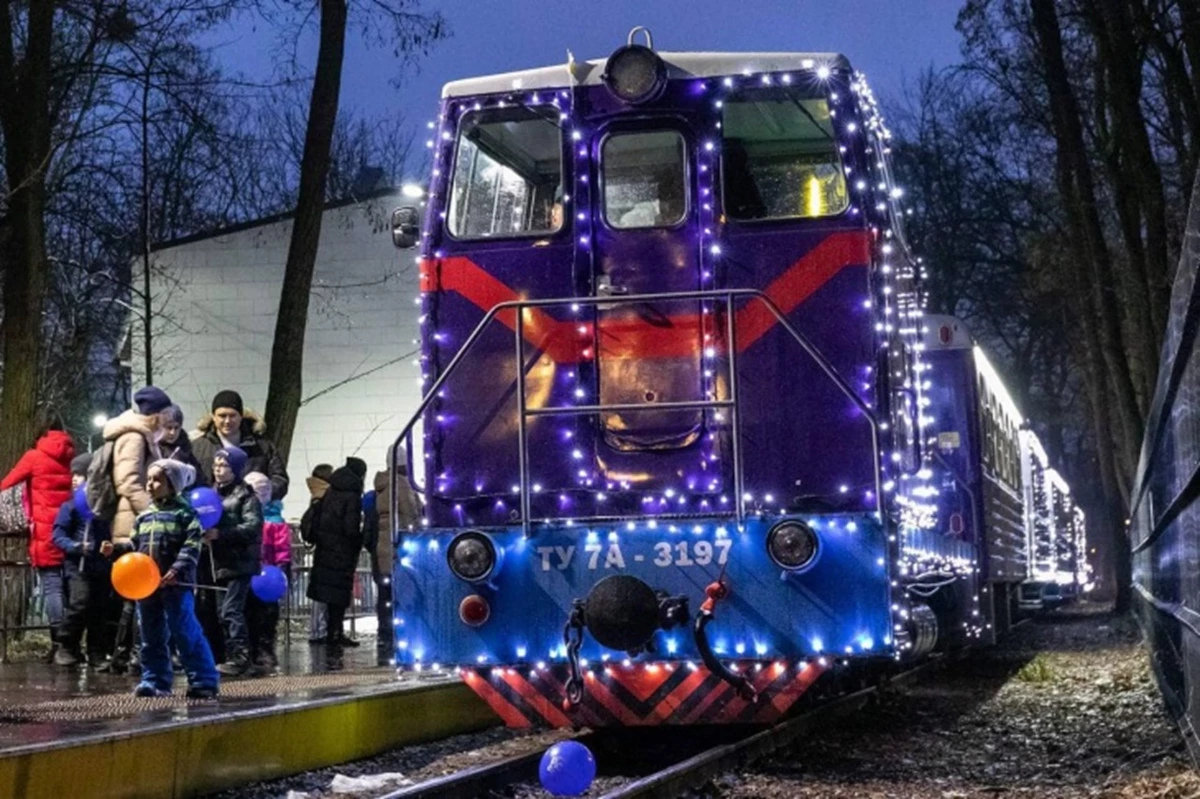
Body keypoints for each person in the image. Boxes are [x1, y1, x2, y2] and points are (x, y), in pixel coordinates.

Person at [101, 459, 218, 698]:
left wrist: (177, 570)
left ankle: (203, 680)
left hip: (176, 586)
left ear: (173, 485)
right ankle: (154, 680)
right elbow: (135, 548)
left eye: (157, 480)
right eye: (149, 479)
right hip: (148, 587)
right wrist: (116, 551)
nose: (150, 485)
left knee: (185, 631)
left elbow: (192, 546)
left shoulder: (185, 514)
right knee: (150, 634)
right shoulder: (144, 517)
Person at [98, 385, 171, 674]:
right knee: (139, 594)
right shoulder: (134, 438)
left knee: (135, 595)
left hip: (133, 524)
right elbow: (127, 481)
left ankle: (125, 656)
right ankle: (132, 657)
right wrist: (152, 512)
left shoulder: (137, 436)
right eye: (164, 414)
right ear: (154, 415)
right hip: (133, 526)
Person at [0, 413, 75, 659]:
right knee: (68, 587)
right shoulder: (70, 455)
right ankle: (71, 644)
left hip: (45, 532)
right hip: (70, 528)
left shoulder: (34, 457)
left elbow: (7, 483)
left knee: (52, 587)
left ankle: (59, 645)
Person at [205, 446, 262, 677]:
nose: (219, 470)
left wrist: (222, 535)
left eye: (224, 466)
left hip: (240, 561)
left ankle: (241, 657)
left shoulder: (245, 496)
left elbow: (253, 526)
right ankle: (231, 656)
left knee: (231, 610)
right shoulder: (212, 494)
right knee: (222, 611)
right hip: (220, 561)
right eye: (216, 465)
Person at [51, 454, 112, 667]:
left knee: (99, 607)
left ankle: (96, 652)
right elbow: (58, 536)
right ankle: (66, 644)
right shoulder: (70, 507)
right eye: (74, 475)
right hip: (77, 565)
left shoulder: (103, 509)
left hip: (99, 564)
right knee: (80, 602)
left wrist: (107, 547)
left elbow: (107, 533)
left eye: (81, 475)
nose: (75, 479)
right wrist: (76, 547)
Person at [305, 458, 365, 669]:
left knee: (329, 595)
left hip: (325, 551)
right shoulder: (352, 495)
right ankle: (335, 633)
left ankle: (330, 632)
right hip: (342, 552)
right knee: (339, 596)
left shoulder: (330, 491)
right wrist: (359, 540)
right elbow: (351, 528)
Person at [364, 463, 422, 665]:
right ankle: (402, 635)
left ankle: (384, 634)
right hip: (400, 550)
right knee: (404, 594)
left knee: (385, 595)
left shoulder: (379, 487)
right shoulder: (403, 486)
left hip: (381, 549)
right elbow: (412, 517)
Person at [192, 391, 288, 500]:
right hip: (212, 511)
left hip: (252, 511)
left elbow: (280, 479)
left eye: (232, 415)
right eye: (222, 416)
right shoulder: (198, 447)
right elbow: (188, 482)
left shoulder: (262, 446)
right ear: (213, 417)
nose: (227, 421)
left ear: (241, 416)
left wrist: (266, 490)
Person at [244, 471, 290, 674]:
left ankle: (264, 647)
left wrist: (281, 568)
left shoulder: (274, 520)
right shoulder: (247, 515)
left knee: (267, 614)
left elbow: (282, 549)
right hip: (249, 571)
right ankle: (251, 648)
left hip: (267, 575)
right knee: (248, 612)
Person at [302, 464, 334, 644]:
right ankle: (318, 630)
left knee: (319, 592)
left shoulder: (316, 495)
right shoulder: (323, 496)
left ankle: (317, 629)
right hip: (326, 548)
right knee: (322, 593)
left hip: (320, 549)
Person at [161, 404, 202, 475]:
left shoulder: (185, 447)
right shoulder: (153, 447)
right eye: (169, 428)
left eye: (176, 428)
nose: (172, 433)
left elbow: (197, 474)